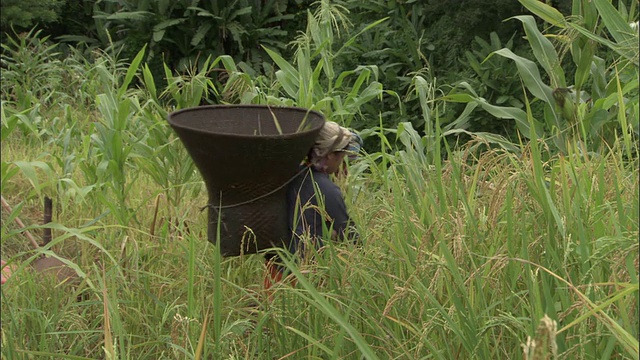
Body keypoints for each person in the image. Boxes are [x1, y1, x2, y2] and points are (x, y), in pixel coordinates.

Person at [263, 121, 361, 291]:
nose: (341, 161)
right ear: (330, 155)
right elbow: (348, 233)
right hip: (301, 274)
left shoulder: (290, 174)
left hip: (274, 268)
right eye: (340, 156)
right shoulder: (326, 188)